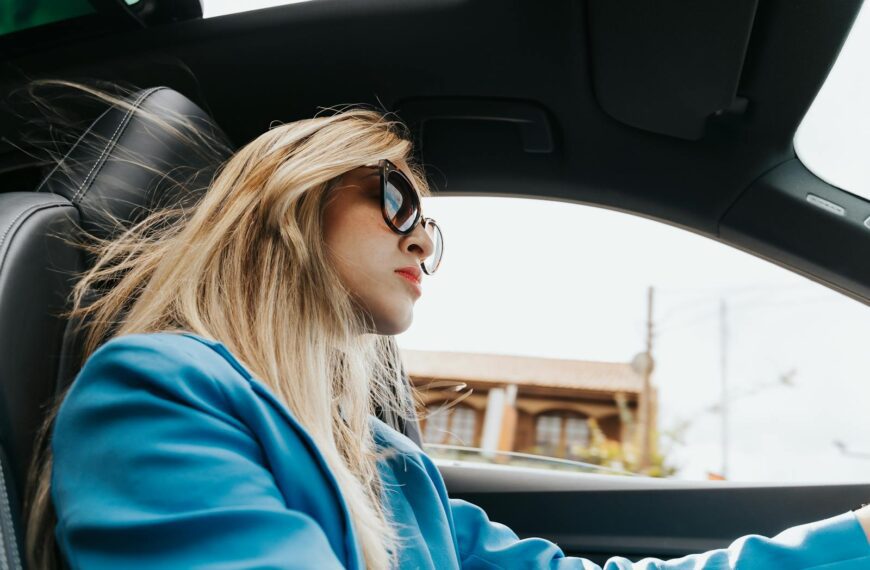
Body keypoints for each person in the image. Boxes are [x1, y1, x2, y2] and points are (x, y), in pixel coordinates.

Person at [23, 93, 870, 569]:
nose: (423, 237)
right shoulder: (156, 391)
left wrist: (857, 539)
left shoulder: (393, 469)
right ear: (286, 201)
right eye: (396, 198)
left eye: (431, 223)